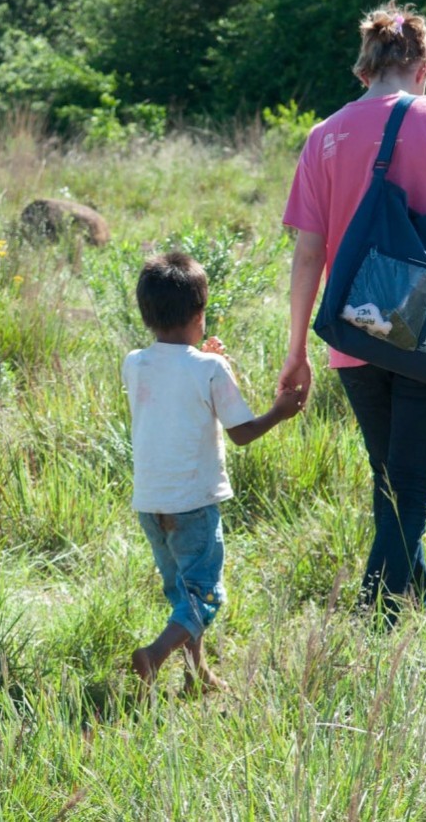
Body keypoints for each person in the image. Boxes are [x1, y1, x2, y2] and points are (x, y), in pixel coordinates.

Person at [279, 0, 426, 626]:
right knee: (410, 489)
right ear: (424, 66)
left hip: (354, 331)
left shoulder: (323, 137)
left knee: (392, 483)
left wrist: (297, 352)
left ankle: (418, 613)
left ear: (364, 71)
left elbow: (307, 256)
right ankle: (371, 624)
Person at [124, 251, 302, 693]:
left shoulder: (134, 362)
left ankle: (197, 675)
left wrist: (202, 357)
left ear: (146, 314)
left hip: (151, 504)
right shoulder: (210, 368)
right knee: (204, 597)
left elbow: (175, 382)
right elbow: (241, 432)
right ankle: (156, 655)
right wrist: (280, 411)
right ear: (200, 314)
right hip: (195, 504)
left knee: (181, 593)